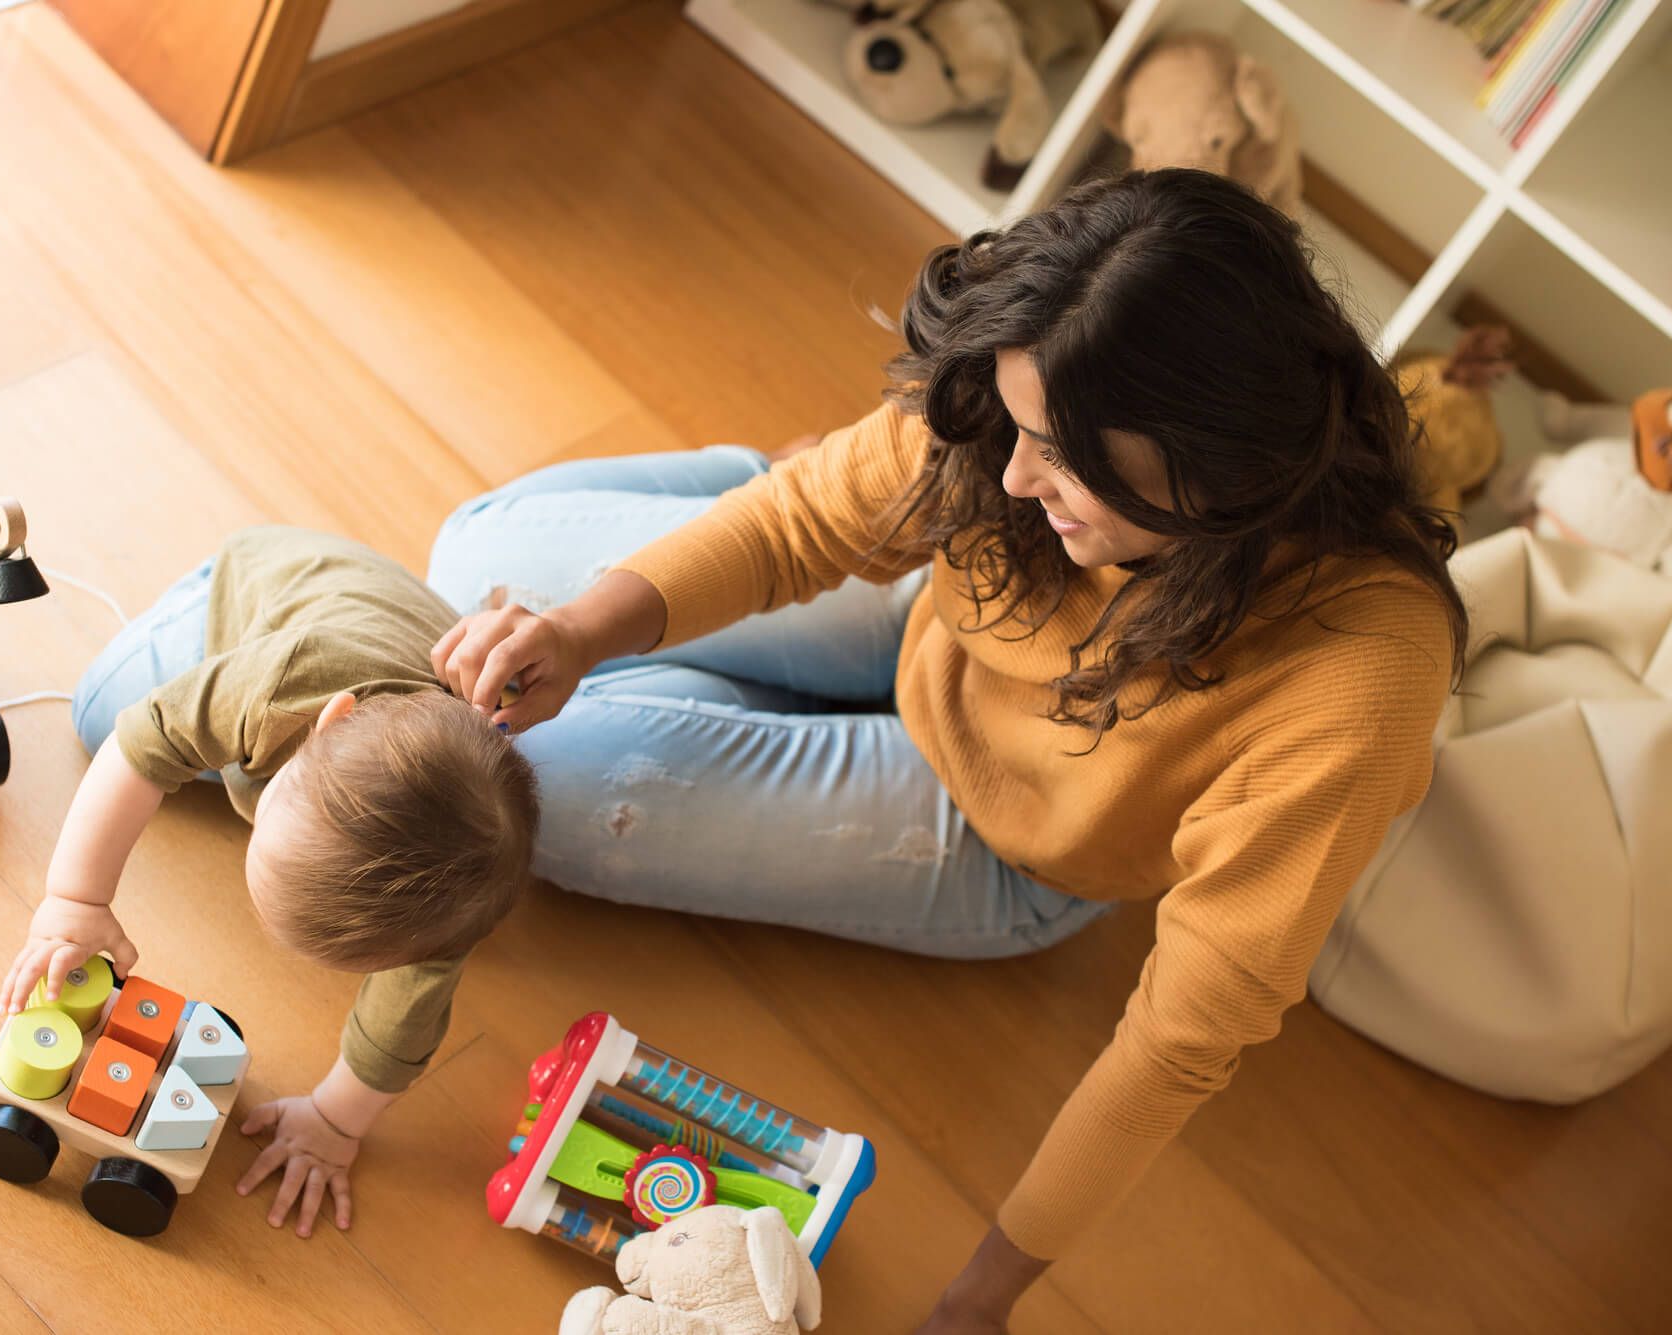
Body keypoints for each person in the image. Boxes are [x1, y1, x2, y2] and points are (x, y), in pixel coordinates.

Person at [426, 168, 1467, 1328]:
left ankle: (701, 661)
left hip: (1007, 837)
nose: (1020, 478)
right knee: (480, 571)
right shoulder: (1029, 403)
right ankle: (723, 578)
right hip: (936, 630)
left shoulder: (1358, 678)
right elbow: (802, 523)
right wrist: (574, 632)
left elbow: (1179, 1039)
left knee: (536, 789)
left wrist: (979, 1300)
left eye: (1064, 461)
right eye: (1015, 434)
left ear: (1221, 464)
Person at [0, 527, 538, 1238]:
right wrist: (76, 901)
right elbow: (146, 739)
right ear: (328, 720)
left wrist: (335, 1123)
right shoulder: (283, 683)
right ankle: (196, 601)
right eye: (264, 820)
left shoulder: (450, 907)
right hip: (266, 584)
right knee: (99, 713)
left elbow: (397, 1032)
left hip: (402, 626)